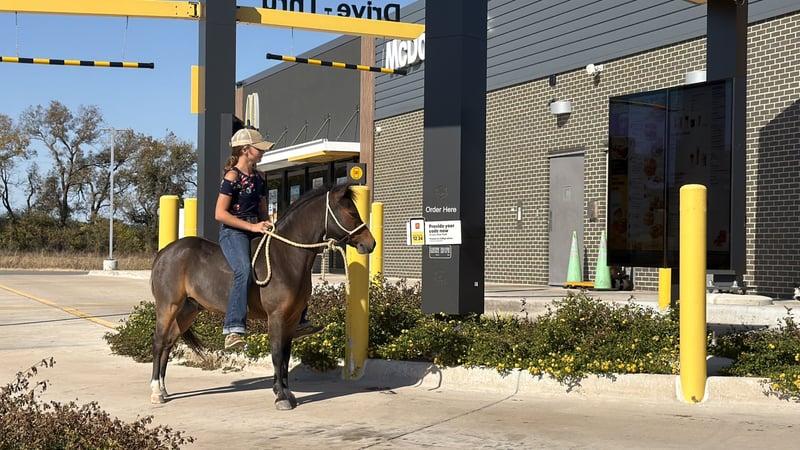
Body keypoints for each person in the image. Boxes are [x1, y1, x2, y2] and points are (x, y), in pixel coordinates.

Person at [215, 127, 320, 350]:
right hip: (234, 232)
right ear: (245, 150)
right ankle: (233, 329)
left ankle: (299, 320)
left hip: (258, 228)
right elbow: (220, 214)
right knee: (243, 270)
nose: (263, 152)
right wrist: (252, 226)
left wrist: (270, 225)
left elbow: (262, 208)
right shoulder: (232, 177)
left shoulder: (260, 177)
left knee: (291, 264)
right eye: (259, 149)